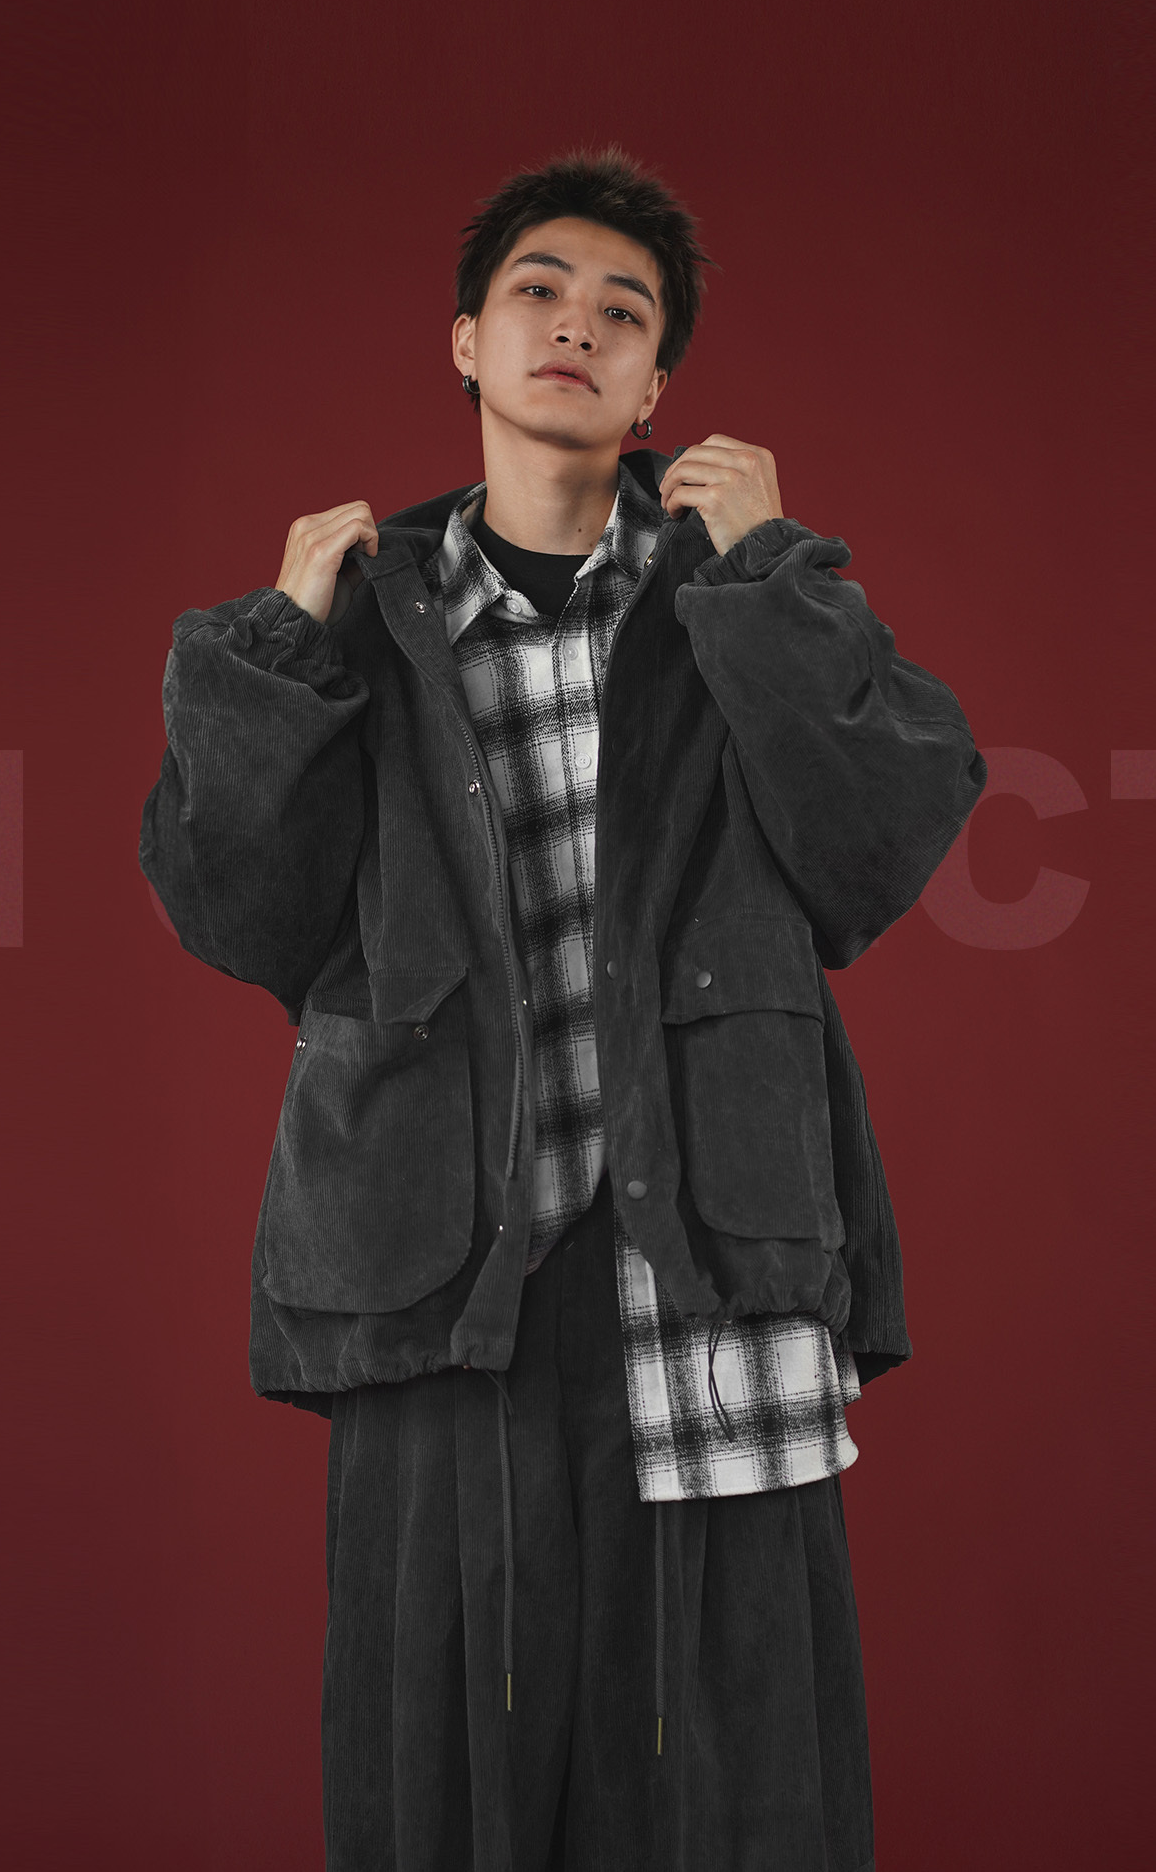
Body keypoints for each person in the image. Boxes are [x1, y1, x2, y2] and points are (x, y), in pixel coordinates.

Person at [139, 149, 983, 1872]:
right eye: (537, 292)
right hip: (441, 1269)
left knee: (736, 1794)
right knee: (445, 1777)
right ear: (464, 341)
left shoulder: (732, 600)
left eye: (623, 312)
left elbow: (875, 849)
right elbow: (239, 916)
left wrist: (772, 579)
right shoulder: (358, 621)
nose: (575, 328)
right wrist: (274, 659)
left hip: (706, 1259)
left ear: (657, 384)